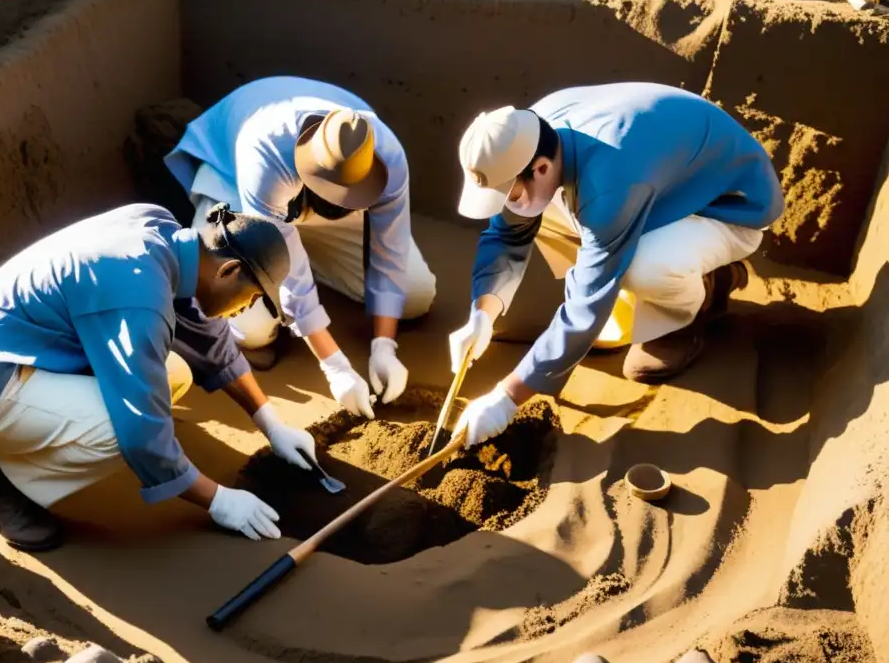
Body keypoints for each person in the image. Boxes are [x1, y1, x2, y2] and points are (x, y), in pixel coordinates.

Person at [0, 202, 317, 552]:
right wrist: (218, 500)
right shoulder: (139, 295)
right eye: (251, 297)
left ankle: (41, 436)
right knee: (120, 430)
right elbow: (142, 437)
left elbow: (206, 334)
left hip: (11, 343)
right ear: (229, 269)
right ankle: (4, 484)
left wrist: (270, 422)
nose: (245, 309)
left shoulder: (163, 231)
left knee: (171, 374)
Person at [449, 82, 784, 448]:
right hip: (666, 181)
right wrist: (482, 313)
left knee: (640, 266)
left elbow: (584, 309)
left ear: (541, 167)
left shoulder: (609, 183)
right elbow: (508, 235)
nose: (510, 204)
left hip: (730, 204)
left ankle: (695, 303)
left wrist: (506, 398)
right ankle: (639, 278)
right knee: (543, 214)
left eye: (511, 193)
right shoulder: (531, 133)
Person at [164, 76, 437, 419]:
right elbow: (280, 258)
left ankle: (317, 244)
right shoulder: (264, 155)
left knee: (414, 295)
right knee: (250, 329)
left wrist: (385, 344)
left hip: (312, 208)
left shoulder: (387, 157)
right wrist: (334, 365)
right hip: (236, 188)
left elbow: (390, 247)